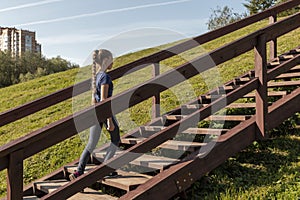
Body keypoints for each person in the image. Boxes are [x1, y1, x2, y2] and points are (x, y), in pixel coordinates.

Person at [70, 49, 120, 180]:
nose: (113, 62)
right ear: (105, 60)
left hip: (95, 114)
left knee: (91, 145)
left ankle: (79, 171)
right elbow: (104, 100)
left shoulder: (96, 76)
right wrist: (109, 120)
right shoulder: (105, 77)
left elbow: (94, 100)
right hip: (105, 112)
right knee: (115, 140)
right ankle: (106, 168)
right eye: (111, 59)